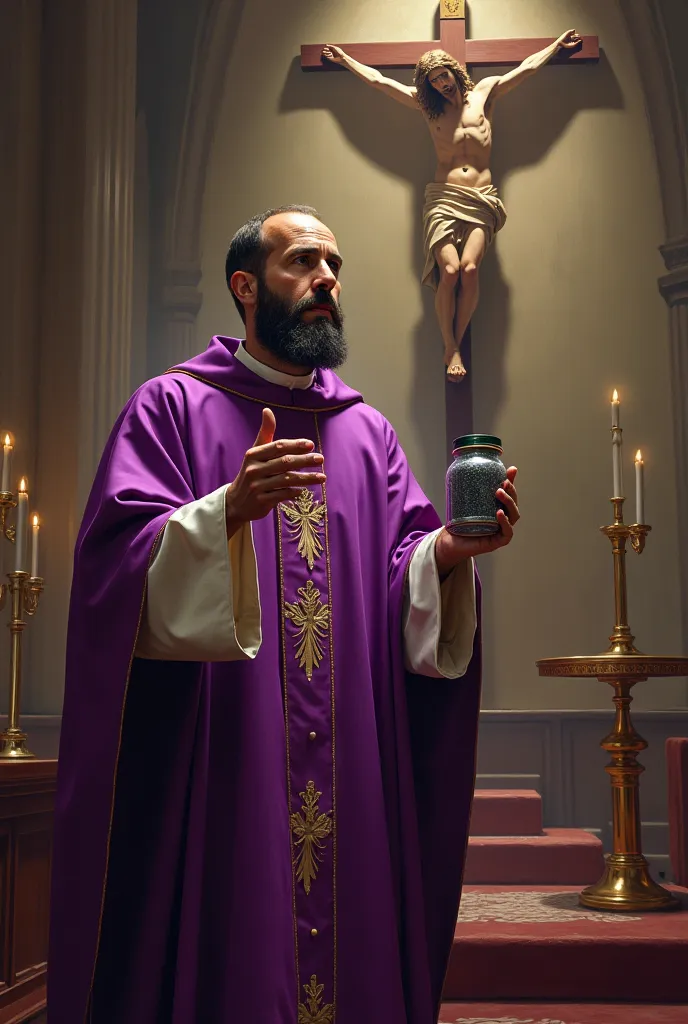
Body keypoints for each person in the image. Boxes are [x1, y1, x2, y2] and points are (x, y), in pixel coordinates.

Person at [48, 205, 520, 1024]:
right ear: (245, 287)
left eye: (334, 266)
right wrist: (221, 513)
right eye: (302, 263)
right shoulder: (169, 409)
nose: (326, 282)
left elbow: (398, 572)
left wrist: (445, 557)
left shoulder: (366, 433)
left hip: (350, 770)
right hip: (227, 764)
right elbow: (112, 572)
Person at [322, 30, 582, 381]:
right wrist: (345, 61)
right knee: (450, 271)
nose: (442, 84)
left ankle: (454, 344)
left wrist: (555, 47)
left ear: (453, 70)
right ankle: (450, 346)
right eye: (434, 81)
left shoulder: (485, 93)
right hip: (443, 198)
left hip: (481, 196)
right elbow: (378, 81)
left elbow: (526, 69)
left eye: (444, 75)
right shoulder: (427, 107)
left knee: (470, 270)